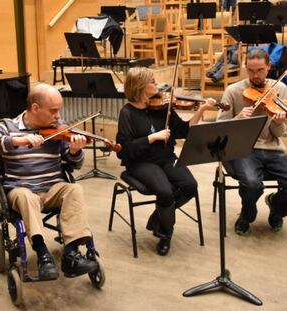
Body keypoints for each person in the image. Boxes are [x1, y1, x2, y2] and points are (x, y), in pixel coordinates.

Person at [0, 83, 98, 280]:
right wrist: (17, 140)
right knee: (25, 195)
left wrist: (74, 151)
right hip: (21, 190)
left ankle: (71, 254)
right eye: (53, 111)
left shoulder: (57, 130)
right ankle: (43, 253)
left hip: (52, 188)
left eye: (59, 111)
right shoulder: (8, 126)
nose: (58, 117)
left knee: (74, 189)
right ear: (35, 108)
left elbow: (73, 164)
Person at [116, 67, 216, 256]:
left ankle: (158, 216)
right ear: (140, 86)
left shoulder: (162, 107)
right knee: (165, 191)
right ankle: (165, 234)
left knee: (190, 186)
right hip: (141, 162)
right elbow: (125, 151)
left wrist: (201, 109)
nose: (157, 85)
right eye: (152, 82)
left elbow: (184, 131)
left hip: (165, 157)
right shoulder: (127, 113)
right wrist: (151, 138)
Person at [217, 48, 287, 235]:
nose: (255, 76)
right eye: (251, 70)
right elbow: (220, 128)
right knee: (251, 184)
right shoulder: (234, 90)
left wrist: (278, 122)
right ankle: (247, 215)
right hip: (243, 148)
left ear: (269, 67)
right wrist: (237, 119)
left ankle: (277, 208)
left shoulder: (280, 89)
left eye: (260, 70)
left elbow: (279, 133)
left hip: (272, 147)